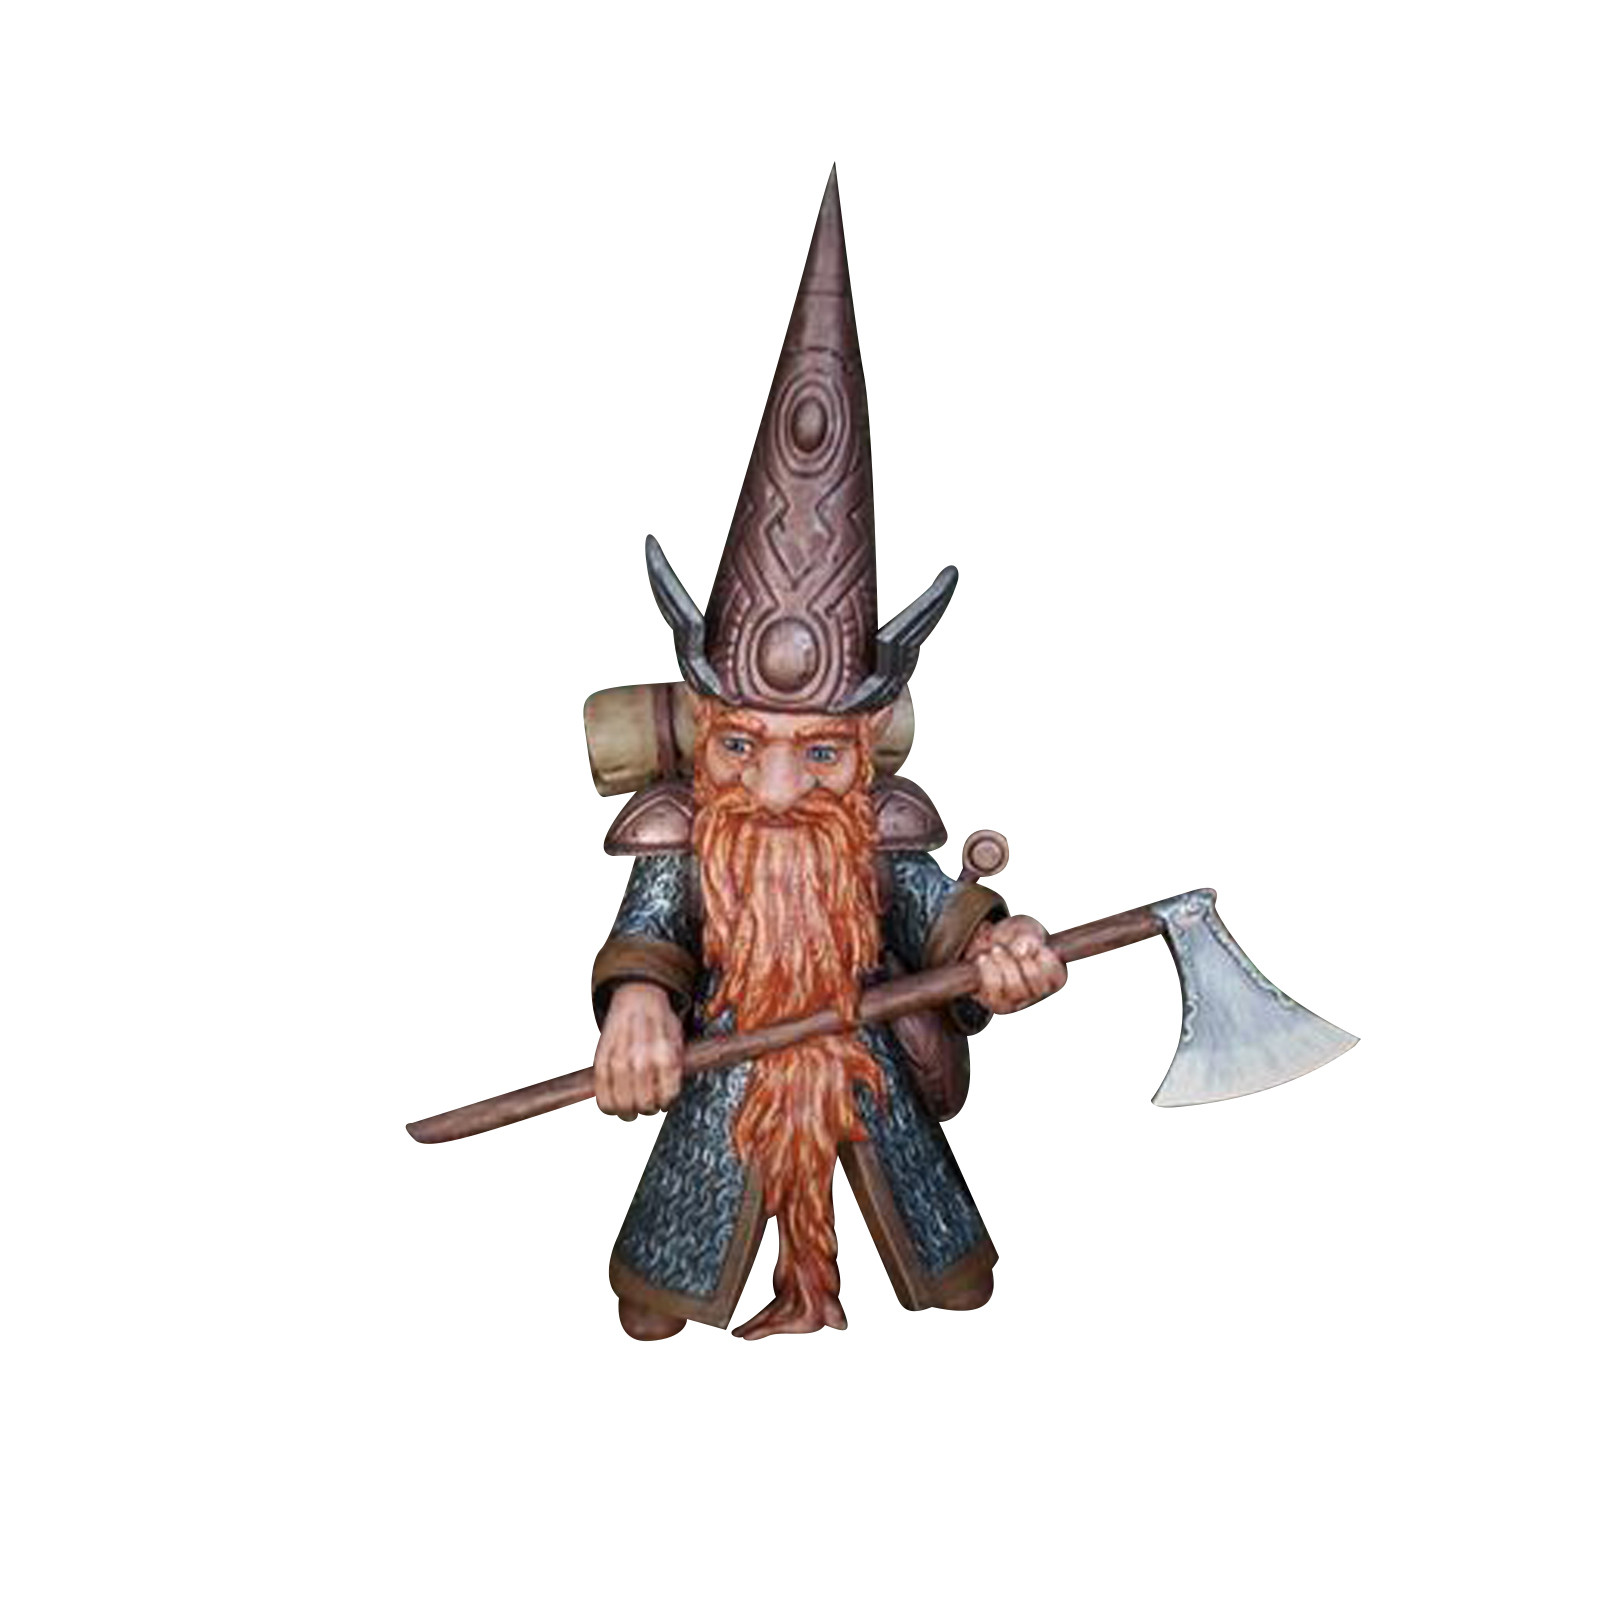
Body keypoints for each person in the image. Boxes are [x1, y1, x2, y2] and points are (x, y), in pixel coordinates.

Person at [588, 171, 1064, 1341]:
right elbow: (652, 932)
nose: (777, 790)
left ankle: (923, 1257)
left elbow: (938, 915)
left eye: (819, 755)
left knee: (955, 1279)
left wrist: (996, 947)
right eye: (741, 745)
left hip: (865, 1055)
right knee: (657, 1297)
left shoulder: (880, 828)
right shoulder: (686, 831)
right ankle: (686, 1274)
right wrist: (640, 1006)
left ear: (866, 743)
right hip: (727, 1063)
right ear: (701, 730)